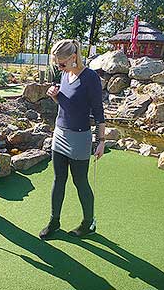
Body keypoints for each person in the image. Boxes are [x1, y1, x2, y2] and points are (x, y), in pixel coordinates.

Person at [39, 39, 106, 240]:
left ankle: (88, 223)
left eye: (62, 63)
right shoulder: (64, 74)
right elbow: (69, 104)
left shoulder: (90, 78)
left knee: (80, 181)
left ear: (73, 57)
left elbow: (98, 112)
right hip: (59, 134)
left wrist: (101, 140)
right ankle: (54, 222)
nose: (59, 67)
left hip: (79, 138)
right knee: (58, 180)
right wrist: (55, 96)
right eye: (57, 64)